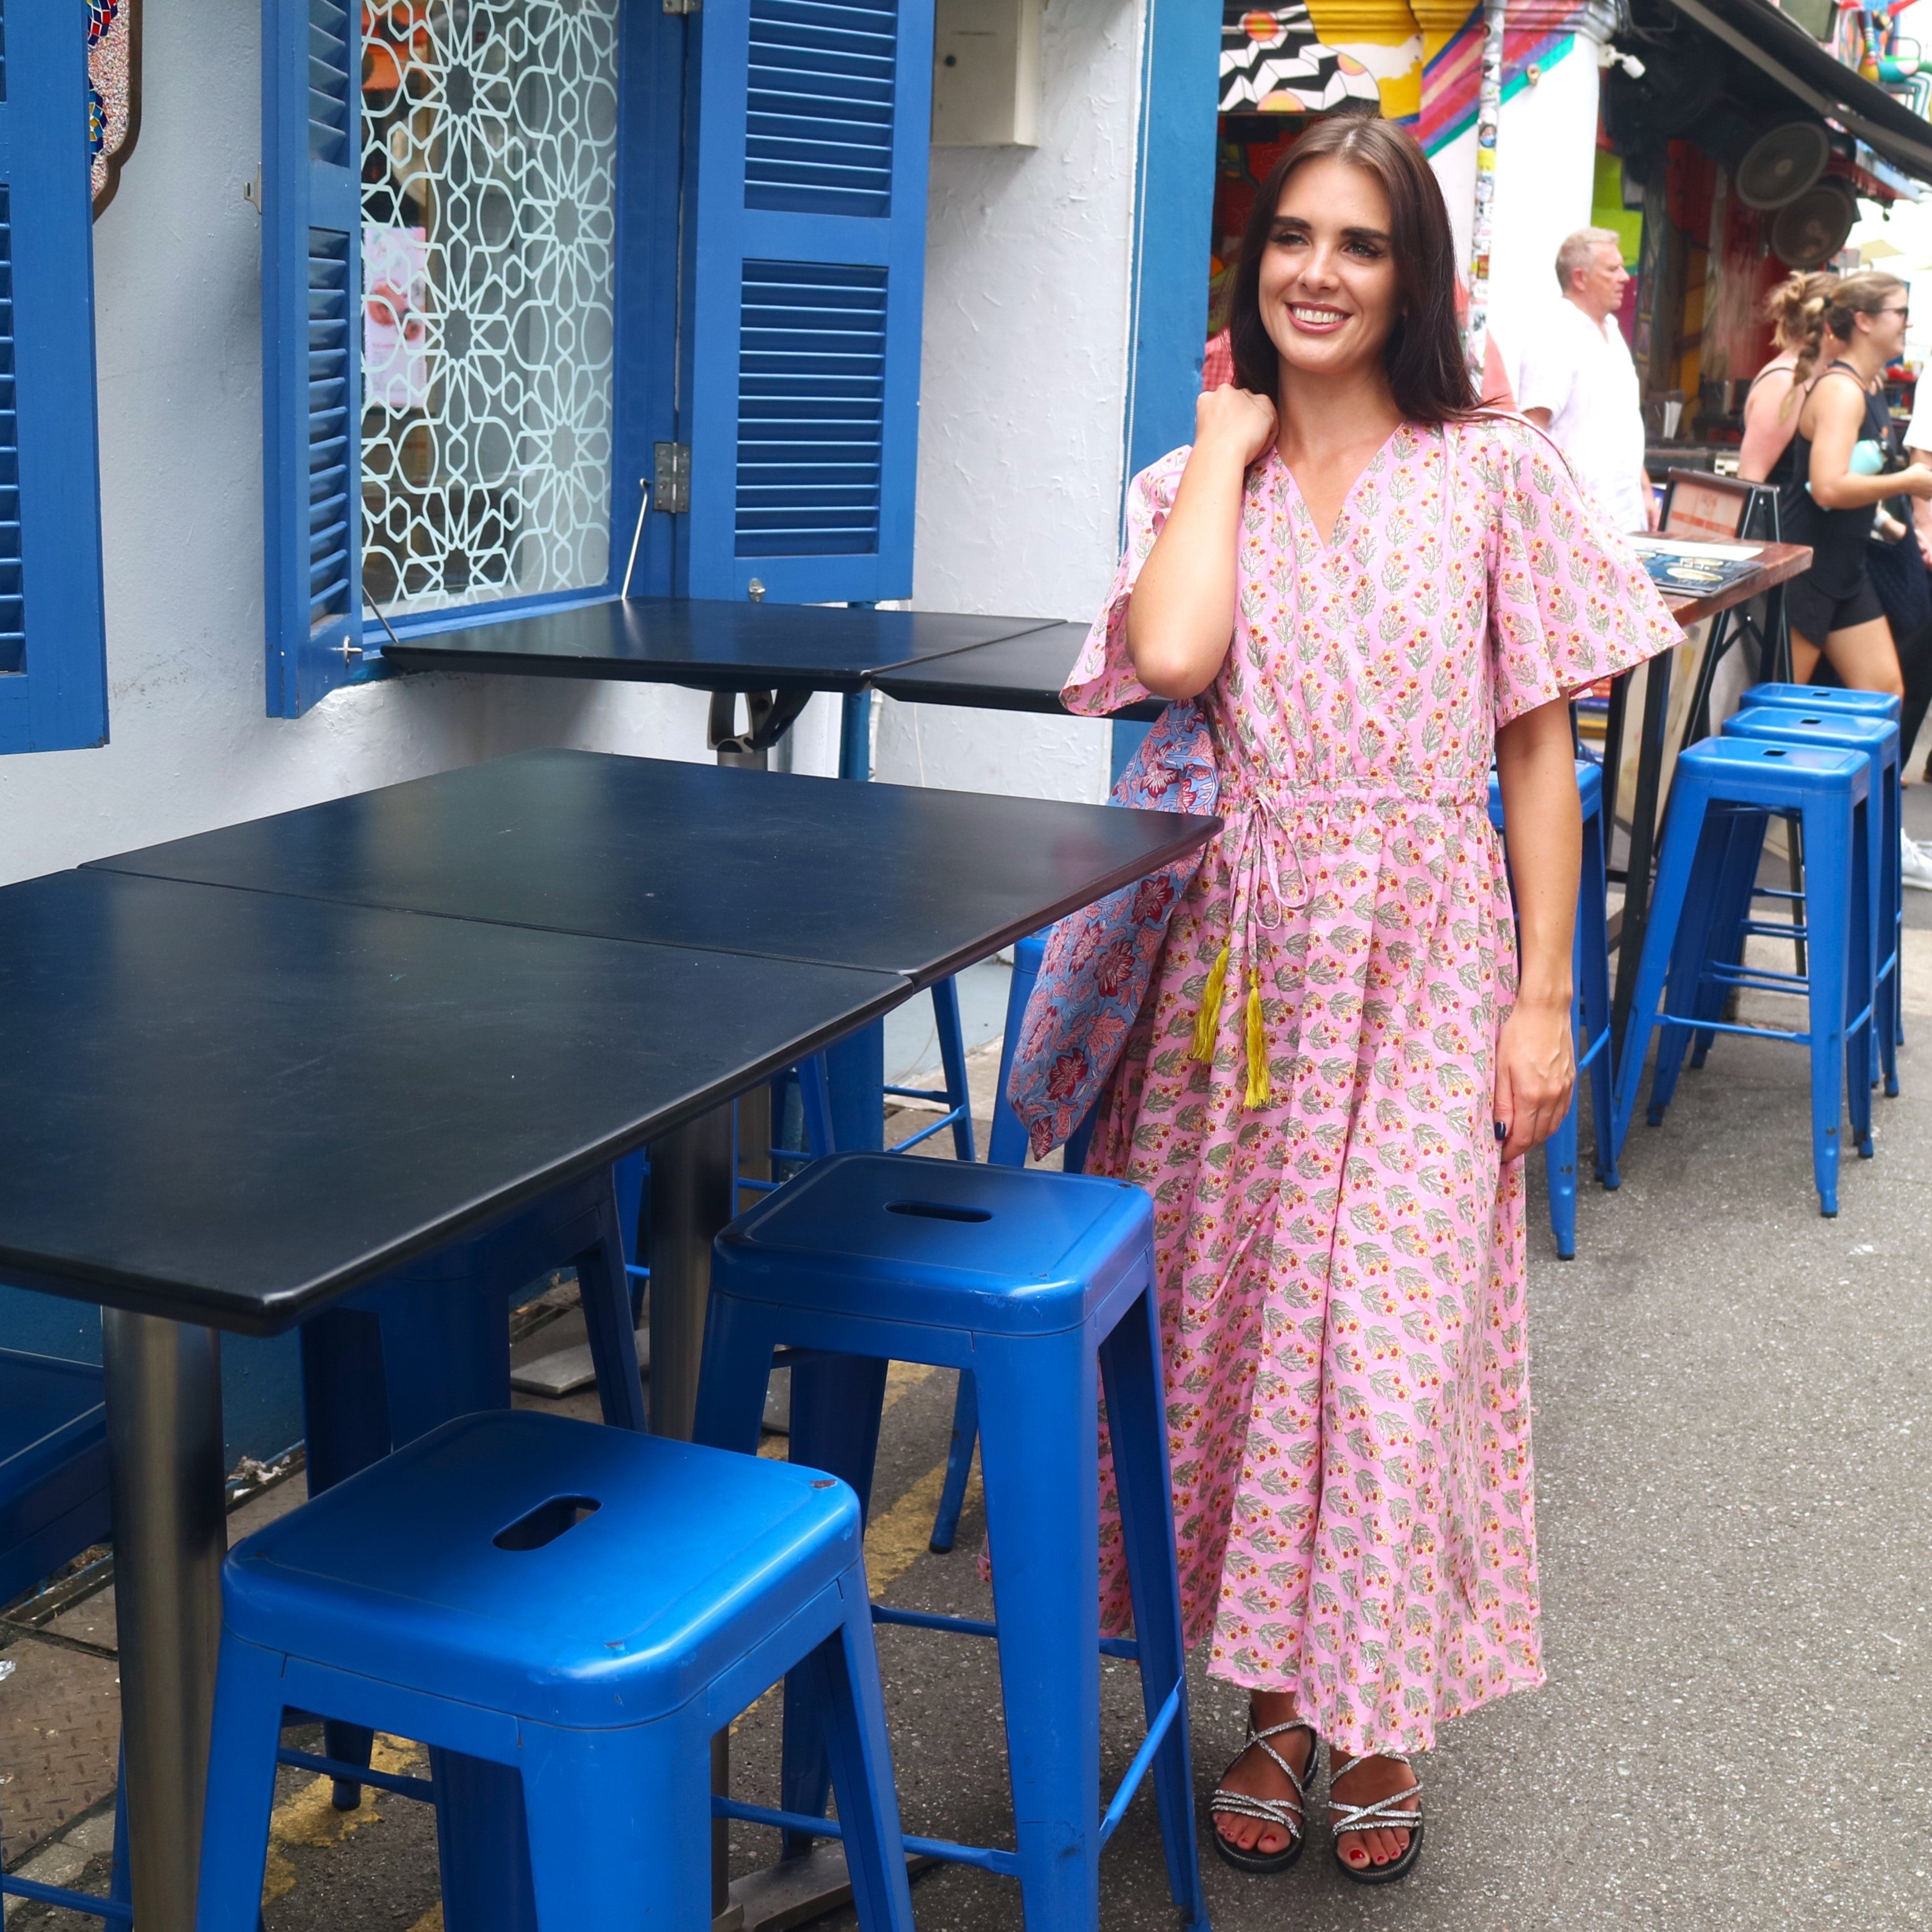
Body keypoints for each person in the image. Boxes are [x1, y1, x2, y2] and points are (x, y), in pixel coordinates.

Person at [1060, 114, 1679, 1885]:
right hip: (1241, 974)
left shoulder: (1491, 469)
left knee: (1388, 1345)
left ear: (1411, 275)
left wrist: (1541, 999)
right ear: (1249, 265)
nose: (1317, 273)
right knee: (1258, 1341)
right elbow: (1170, 656)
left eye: (1358, 243)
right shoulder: (1193, 479)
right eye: (1289, 239)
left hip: (1429, 951)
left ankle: (1379, 1705)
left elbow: (1536, 749)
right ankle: (1276, 1703)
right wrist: (1218, 437)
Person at [1515, 227, 1658, 531]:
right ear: (1580, 278)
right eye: (1613, 269)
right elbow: (1531, 432)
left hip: (1626, 516)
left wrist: (1645, 489)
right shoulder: (1556, 333)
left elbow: (1622, 423)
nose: (1625, 278)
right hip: (1578, 523)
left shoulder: (1612, 330)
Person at [1737, 271, 1837, 488]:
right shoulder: (1784, 385)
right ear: (1830, 326)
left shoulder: (1812, 377)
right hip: (1780, 509)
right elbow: (1750, 479)